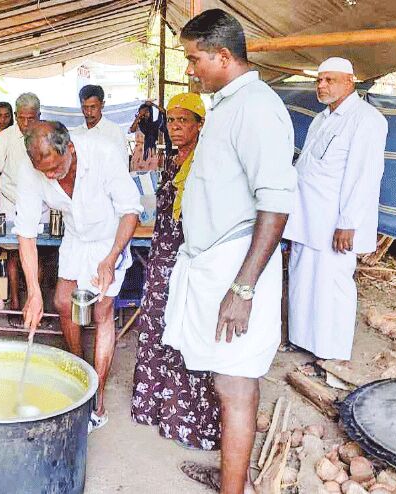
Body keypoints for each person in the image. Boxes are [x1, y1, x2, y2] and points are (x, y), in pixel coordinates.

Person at [162, 10, 296, 494]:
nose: (191, 68)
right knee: (226, 381)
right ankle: (231, 472)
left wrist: (243, 287)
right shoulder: (226, 103)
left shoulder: (257, 108)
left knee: (236, 386)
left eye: (195, 58)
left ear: (223, 56)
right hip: (215, 261)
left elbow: (276, 205)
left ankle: (233, 488)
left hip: (237, 267)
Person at [17, 121, 142, 433]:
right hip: (75, 240)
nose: (49, 176)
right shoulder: (32, 169)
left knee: (101, 311)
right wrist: (33, 292)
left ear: (70, 148)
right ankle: (80, 376)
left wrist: (111, 258)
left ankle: (96, 400)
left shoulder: (104, 153)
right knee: (61, 302)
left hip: (109, 239)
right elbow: (27, 234)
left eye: (56, 168)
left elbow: (130, 211)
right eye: (43, 171)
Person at [130, 93, 221, 450]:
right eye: (172, 121)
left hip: (193, 257)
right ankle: (152, 406)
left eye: (185, 121)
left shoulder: (206, 163)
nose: (177, 128)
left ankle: (182, 418)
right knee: (155, 322)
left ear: (200, 124)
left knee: (187, 329)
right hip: (162, 256)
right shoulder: (168, 161)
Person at [284, 57, 387, 361]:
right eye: (319, 80)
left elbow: (364, 175)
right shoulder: (321, 119)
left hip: (335, 222)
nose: (321, 85)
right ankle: (302, 340)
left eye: (330, 80)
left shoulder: (366, 119)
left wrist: (348, 222)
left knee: (332, 285)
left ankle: (330, 352)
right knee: (303, 279)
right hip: (307, 217)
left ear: (349, 82)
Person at [0, 93, 43, 310]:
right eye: (22, 118)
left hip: (41, 205)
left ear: (39, 115)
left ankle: (34, 301)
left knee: (40, 252)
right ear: (16, 115)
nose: (26, 123)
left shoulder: (46, 134)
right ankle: (16, 301)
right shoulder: (6, 137)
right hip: (11, 203)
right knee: (13, 254)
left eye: (31, 118)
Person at [72, 84, 128, 161]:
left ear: (102, 105)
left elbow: (122, 166)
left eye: (93, 107)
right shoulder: (75, 134)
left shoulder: (114, 132)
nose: (88, 112)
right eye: (85, 107)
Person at [130, 102, 170, 171]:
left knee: (151, 176)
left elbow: (163, 111)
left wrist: (153, 105)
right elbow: (132, 130)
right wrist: (139, 116)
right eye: (143, 112)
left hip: (151, 153)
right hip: (138, 154)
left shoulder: (154, 125)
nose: (145, 113)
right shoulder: (138, 124)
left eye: (147, 111)